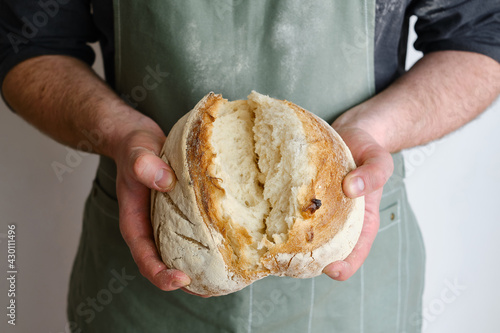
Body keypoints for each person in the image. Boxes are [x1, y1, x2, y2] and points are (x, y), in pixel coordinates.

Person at [1, 0, 499, 332]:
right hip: (149, 252)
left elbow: (482, 36)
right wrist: (117, 132)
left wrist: (376, 130)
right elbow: (27, 45)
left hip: (351, 265)